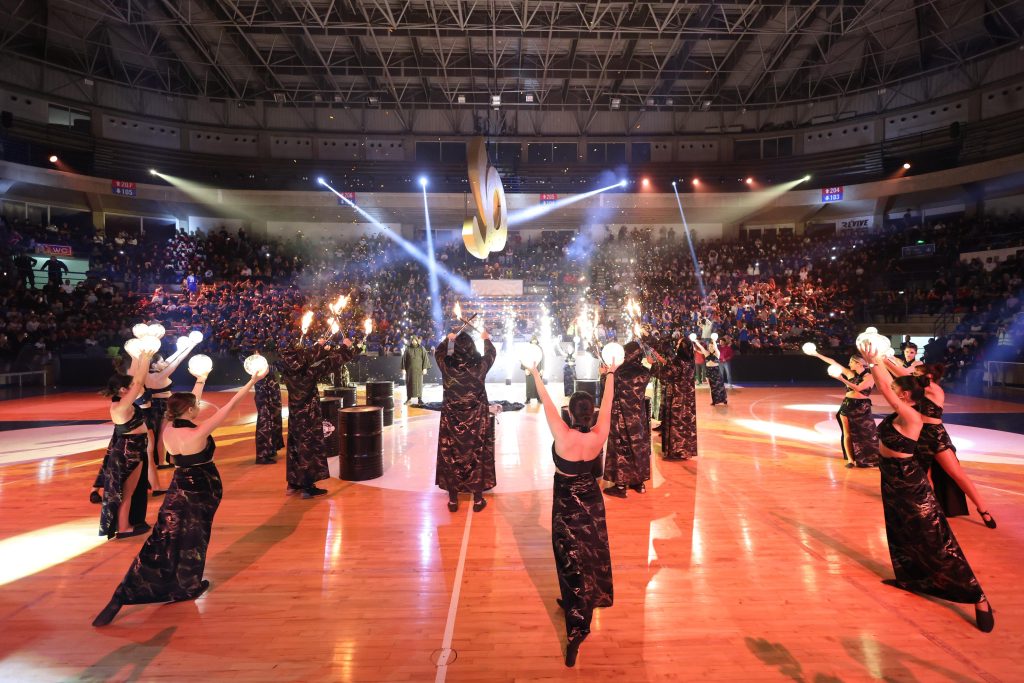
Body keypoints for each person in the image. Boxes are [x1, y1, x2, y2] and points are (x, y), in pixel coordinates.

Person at [91, 363, 268, 627]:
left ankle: (126, 591)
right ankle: (187, 585)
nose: (198, 407)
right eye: (195, 406)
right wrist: (252, 381)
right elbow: (231, 405)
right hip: (200, 491)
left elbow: (188, 404)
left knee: (162, 539)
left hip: (177, 491)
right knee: (193, 540)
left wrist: (201, 380)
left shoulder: (169, 430)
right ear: (189, 410)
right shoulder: (198, 432)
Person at [858, 338, 994, 633]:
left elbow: (886, 389)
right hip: (891, 477)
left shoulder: (911, 415)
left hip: (909, 480)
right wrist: (879, 363)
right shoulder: (903, 410)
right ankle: (910, 578)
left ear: (905, 395)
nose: (891, 392)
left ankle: (977, 596)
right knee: (899, 529)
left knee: (935, 537)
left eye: (897, 390)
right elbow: (890, 387)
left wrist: (874, 363)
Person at [526, 357, 616, 668]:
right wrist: (611, 375)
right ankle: (578, 599)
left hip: (566, 501)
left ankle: (575, 633)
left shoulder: (562, 435)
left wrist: (534, 371)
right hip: (591, 500)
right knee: (590, 555)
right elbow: (608, 405)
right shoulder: (599, 434)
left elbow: (545, 399)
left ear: (571, 413)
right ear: (590, 413)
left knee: (569, 560)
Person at [885, 359, 996, 528]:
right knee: (925, 476)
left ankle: (983, 510)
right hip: (918, 435)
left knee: (956, 473)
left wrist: (884, 360)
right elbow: (900, 381)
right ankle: (932, 511)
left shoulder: (935, 390)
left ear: (929, 376)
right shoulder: (917, 392)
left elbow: (903, 375)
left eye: (917, 374)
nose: (913, 376)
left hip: (936, 436)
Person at [278, 338, 361, 498]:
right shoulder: (308, 373)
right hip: (308, 416)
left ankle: (294, 483)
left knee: (295, 447)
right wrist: (346, 348)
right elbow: (332, 363)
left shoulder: (287, 369)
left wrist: (320, 347)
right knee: (308, 449)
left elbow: (306, 357)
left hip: (295, 416)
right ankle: (307, 487)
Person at [435, 329, 496, 512]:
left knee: (451, 456)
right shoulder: (479, 367)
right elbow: (491, 354)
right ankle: (477, 500)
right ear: (472, 347)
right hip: (475, 421)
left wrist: (448, 340)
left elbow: (438, 353)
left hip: (452, 422)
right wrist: (486, 339)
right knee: (476, 455)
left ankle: (453, 500)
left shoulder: (447, 367)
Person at [98, 350, 155, 539]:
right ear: (122, 390)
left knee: (129, 490)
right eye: (129, 387)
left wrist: (141, 360)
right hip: (130, 450)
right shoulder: (121, 406)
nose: (134, 389)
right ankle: (124, 528)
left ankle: (126, 524)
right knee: (127, 491)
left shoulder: (121, 403)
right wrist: (145, 358)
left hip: (131, 448)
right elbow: (138, 383)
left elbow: (137, 382)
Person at [811, 351, 880, 468]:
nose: (849, 364)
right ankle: (850, 460)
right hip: (847, 405)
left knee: (867, 433)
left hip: (862, 407)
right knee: (847, 433)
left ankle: (869, 458)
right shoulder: (849, 374)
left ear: (858, 363)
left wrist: (841, 379)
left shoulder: (869, 376)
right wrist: (817, 354)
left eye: (851, 362)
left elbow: (859, 388)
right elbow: (833, 362)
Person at [603, 341, 651, 497]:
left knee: (621, 448)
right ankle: (639, 483)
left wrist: (606, 374)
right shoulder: (645, 372)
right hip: (638, 417)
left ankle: (620, 486)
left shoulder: (619, 373)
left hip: (621, 416)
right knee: (638, 447)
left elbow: (607, 388)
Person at [650, 334, 698, 460]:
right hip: (688, 399)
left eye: (678, 344)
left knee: (676, 423)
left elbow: (665, 376)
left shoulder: (677, 361)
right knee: (686, 423)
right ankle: (685, 450)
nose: (676, 345)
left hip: (676, 397)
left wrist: (654, 364)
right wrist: (665, 362)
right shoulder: (690, 361)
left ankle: (676, 450)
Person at [253, 353, 284, 465]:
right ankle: (263, 455)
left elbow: (279, 366)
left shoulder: (271, 357)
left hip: (271, 392)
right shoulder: (254, 360)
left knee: (274, 420)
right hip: (264, 394)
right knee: (265, 423)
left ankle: (270, 449)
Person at [693, 336, 727, 406]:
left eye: (711, 346)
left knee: (719, 386)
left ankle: (723, 399)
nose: (710, 347)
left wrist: (713, 340)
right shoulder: (706, 353)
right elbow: (701, 348)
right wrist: (696, 342)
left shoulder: (717, 353)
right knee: (712, 387)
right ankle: (714, 401)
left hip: (716, 371)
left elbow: (716, 347)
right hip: (709, 371)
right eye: (709, 346)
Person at [401, 335, 431, 405]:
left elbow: (425, 358)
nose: (413, 341)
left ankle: (420, 399)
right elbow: (404, 359)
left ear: (417, 341)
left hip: (419, 371)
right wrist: (403, 368)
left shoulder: (421, 348)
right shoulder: (408, 349)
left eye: (415, 340)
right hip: (409, 371)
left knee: (419, 385)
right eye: (412, 340)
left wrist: (425, 368)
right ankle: (408, 399)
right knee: (409, 384)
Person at [522, 336, 544, 404]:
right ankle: (528, 398)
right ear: (531, 341)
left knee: (538, 384)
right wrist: (525, 369)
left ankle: (539, 398)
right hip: (529, 368)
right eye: (533, 340)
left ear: (537, 341)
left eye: (535, 340)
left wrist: (542, 369)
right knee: (529, 384)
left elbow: (543, 359)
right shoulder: (527, 348)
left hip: (538, 368)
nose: (534, 341)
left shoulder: (540, 348)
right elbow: (523, 358)